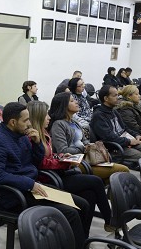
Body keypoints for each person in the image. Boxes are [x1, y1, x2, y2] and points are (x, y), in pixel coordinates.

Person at [0, 102, 112, 249]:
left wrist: (37, 144)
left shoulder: (22, 136)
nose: (29, 123)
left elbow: (35, 163)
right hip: (15, 196)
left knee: (84, 203)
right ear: (12, 122)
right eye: (26, 120)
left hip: (32, 188)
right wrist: (28, 183)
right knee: (71, 213)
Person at [28, 100, 113, 233]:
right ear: (38, 117)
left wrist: (61, 156)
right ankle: (110, 221)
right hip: (50, 179)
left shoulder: (44, 132)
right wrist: (63, 162)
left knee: (90, 194)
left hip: (58, 172)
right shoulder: (32, 137)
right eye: (46, 115)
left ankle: (83, 236)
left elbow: (50, 155)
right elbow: (40, 163)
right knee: (96, 181)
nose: (49, 117)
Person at [49, 92, 129, 185]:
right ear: (63, 106)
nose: (76, 102)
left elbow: (84, 141)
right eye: (72, 101)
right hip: (75, 163)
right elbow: (62, 150)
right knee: (123, 170)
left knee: (111, 179)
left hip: (87, 159)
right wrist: (84, 148)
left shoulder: (74, 122)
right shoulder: (58, 125)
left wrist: (90, 146)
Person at [91, 85, 141, 165]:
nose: (118, 97)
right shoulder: (99, 116)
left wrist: (136, 135)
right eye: (115, 95)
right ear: (106, 98)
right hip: (114, 148)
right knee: (140, 156)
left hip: (124, 142)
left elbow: (124, 128)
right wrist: (129, 141)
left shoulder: (113, 111)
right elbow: (108, 137)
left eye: (118, 95)